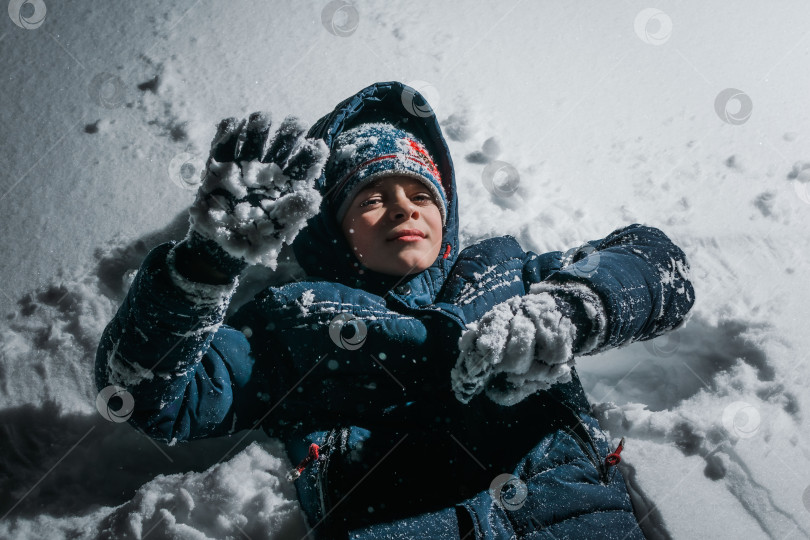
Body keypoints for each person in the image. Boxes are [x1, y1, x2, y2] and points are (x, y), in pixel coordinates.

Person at [95, 81, 695, 539]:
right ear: (331, 228)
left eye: (421, 194)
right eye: (373, 198)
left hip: (578, 519)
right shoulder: (293, 321)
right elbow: (147, 397)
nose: (405, 210)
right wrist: (201, 269)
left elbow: (656, 262)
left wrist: (573, 307)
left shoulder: (508, 274)